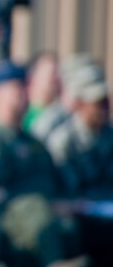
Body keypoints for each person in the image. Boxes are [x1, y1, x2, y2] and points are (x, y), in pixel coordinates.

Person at [0, 62, 89, 267]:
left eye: (25, 88)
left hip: (48, 212)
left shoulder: (32, 141)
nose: (24, 95)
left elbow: (54, 179)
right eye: (16, 89)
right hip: (16, 216)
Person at [47, 64, 113, 198]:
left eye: (106, 102)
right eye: (97, 103)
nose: (104, 109)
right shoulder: (63, 142)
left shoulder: (109, 136)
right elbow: (69, 187)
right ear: (80, 104)